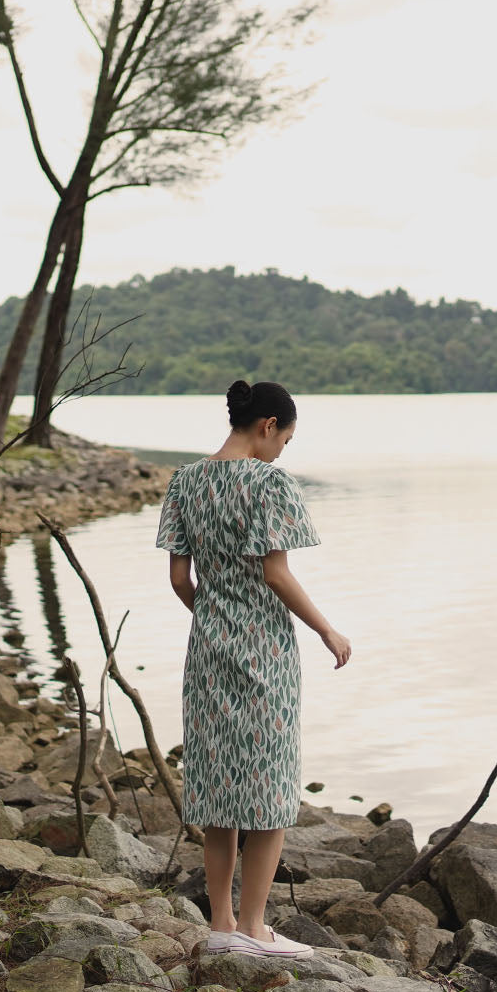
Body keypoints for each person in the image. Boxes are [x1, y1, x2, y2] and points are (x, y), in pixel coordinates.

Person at [156, 379, 351, 957]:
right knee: (268, 787)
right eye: (285, 439)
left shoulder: (185, 481)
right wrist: (326, 629)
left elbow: (178, 581)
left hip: (208, 649)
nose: (282, 451)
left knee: (217, 785)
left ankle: (220, 927)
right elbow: (276, 574)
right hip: (264, 649)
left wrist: (215, 617)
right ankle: (256, 928)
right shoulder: (269, 482)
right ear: (268, 425)